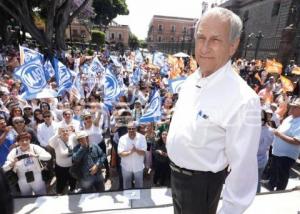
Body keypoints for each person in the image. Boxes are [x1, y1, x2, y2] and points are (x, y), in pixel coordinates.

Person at [166, 7, 261, 214]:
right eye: (201, 38)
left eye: (215, 40)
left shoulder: (244, 100)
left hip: (202, 188)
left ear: (232, 46)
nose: (205, 48)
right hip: (175, 178)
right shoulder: (192, 79)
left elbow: (243, 169)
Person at [265, 98, 300, 191]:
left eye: (295, 107)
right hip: (277, 153)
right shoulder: (289, 118)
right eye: (291, 106)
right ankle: (270, 190)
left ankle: (279, 193)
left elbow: (297, 141)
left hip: (286, 156)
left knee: (281, 177)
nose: (291, 108)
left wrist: (278, 134)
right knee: (273, 175)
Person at [118, 121, 147, 189]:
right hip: (126, 167)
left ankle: (139, 199)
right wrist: (130, 152)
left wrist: (136, 150)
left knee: (139, 185)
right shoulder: (122, 139)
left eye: (133, 128)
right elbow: (120, 154)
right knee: (126, 185)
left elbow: (143, 152)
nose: (131, 130)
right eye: (129, 128)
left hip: (138, 167)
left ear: (136, 129)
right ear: (127, 129)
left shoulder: (142, 138)